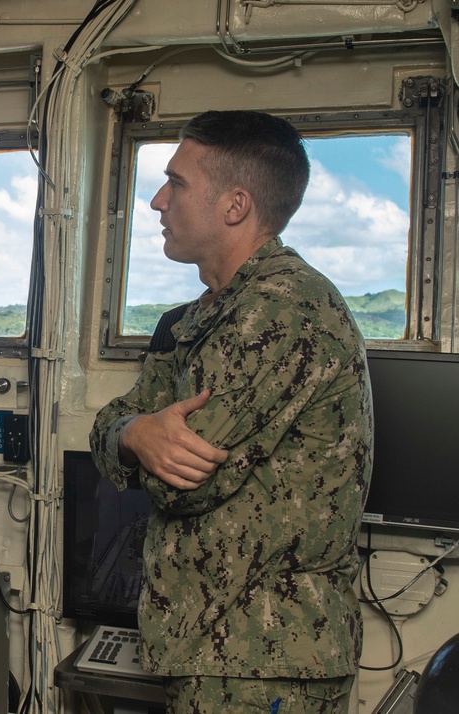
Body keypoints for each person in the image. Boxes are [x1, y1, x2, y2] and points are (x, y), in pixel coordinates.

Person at [89, 110, 372, 713]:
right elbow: (117, 425)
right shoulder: (206, 315)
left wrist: (136, 440)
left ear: (235, 205)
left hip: (263, 659)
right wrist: (136, 433)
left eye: (177, 183)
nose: (158, 201)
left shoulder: (279, 313)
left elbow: (181, 486)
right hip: (221, 652)